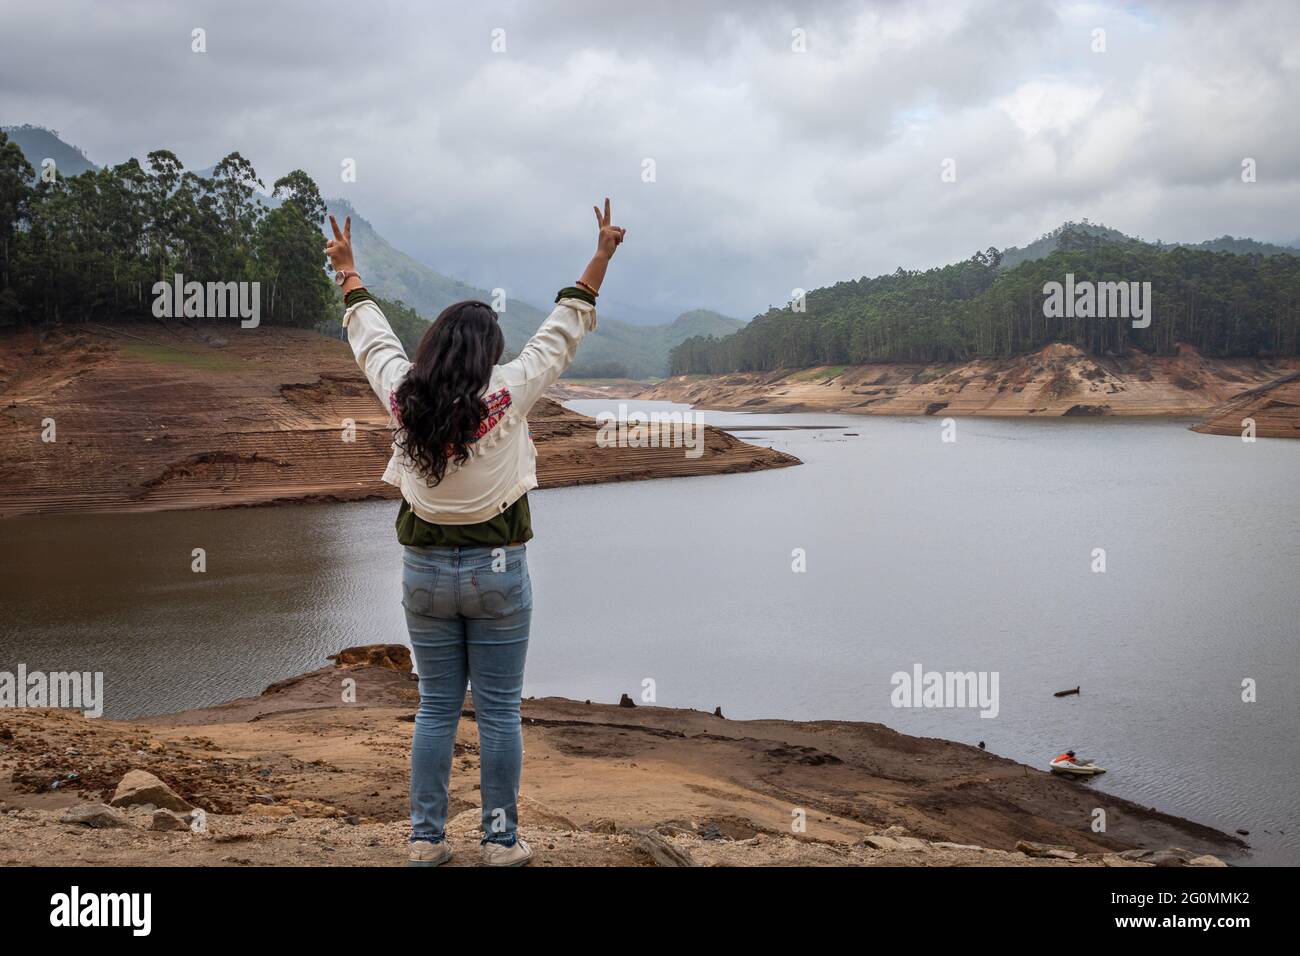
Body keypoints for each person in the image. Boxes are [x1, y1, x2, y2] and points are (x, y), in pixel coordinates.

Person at [324, 200, 626, 866]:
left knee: (436, 707)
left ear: (433, 347)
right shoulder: (511, 390)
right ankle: (498, 841)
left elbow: (373, 342)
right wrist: (601, 254)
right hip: (498, 576)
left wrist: (349, 275)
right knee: (497, 713)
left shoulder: (406, 395)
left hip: (424, 576)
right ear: (490, 352)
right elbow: (561, 331)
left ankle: (427, 842)